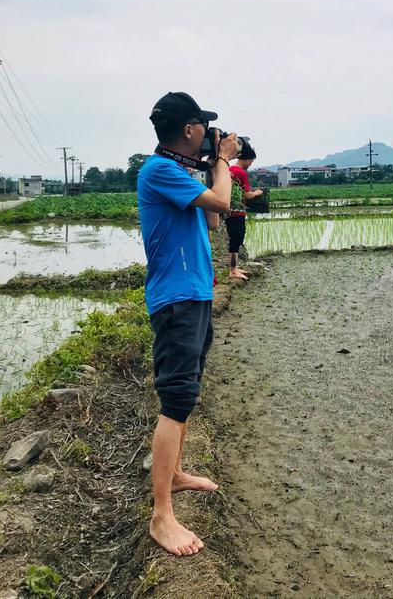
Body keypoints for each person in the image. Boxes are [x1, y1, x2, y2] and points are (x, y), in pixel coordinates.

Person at [137, 91, 239, 557]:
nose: (211, 135)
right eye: (205, 127)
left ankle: (175, 474)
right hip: (177, 298)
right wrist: (222, 162)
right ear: (191, 130)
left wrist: (212, 166)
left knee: (188, 390)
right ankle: (161, 515)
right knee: (176, 398)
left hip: (194, 292)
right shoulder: (158, 170)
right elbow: (221, 200)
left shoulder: (176, 173)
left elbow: (214, 222)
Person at [225, 145, 263, 280]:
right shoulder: (240, 172)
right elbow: (246, 196)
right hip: (238, 211)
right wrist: (257, 193)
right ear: (246, 159)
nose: (251, 164)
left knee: (234, 239)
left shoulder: (230, 170)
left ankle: (234, 268)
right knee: (236, 240)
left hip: (229, 211)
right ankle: (233, 270)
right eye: (251, 161)